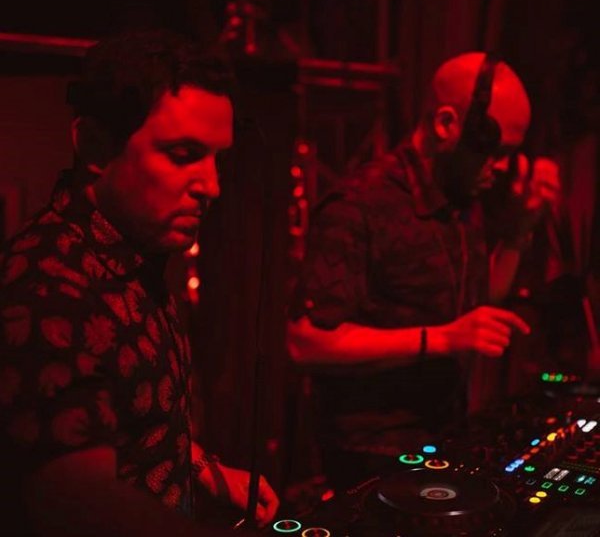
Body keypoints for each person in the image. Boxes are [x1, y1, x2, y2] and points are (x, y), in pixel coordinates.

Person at [0, 30, 278, 536]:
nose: (212, 186)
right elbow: (78, 506)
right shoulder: (48, 293)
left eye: (216, 158)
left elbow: (133, 420)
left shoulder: (134, 258)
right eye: (183, 154)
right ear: (95, 145)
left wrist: (201, 467)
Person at [287, 52, 560, 491]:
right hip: (371, 458)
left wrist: (517, 234)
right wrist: (443, 339)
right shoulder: (361, 203)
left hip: (443, 438)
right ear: (446, 123)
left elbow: (476, 307)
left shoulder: (458, 200)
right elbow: (306, 342)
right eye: (493, 148)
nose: (502, 165)